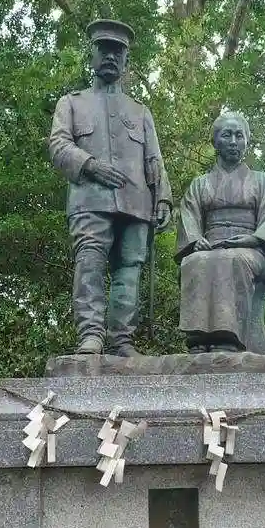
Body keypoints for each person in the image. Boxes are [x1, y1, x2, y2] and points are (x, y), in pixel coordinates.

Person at [48, 20, 172, 355]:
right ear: (91, 54)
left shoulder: (140, 111)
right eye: (104, 50)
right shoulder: (71, 103)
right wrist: (90, 164)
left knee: (129, 269)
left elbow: (154, 159)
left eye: (118, 52)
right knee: (89, 260)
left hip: (136, 203)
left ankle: (122, 340)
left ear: (126, 60)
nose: (111, 57)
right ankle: (90, 334)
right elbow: (58, 145)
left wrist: (163, 199)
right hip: (89, 199)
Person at [176, 112, 265, 353]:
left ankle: (227, 337)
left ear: (246, 141)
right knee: (194, 261)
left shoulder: (262, 182)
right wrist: (195, 240)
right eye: (227, 135)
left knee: (233, 259)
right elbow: (189, 216)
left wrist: (253, 239)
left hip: (251, 249)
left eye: (239, 135)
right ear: (215, 142)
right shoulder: (200, 184)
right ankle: (198, 338)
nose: (233, 141)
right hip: (210, 245)